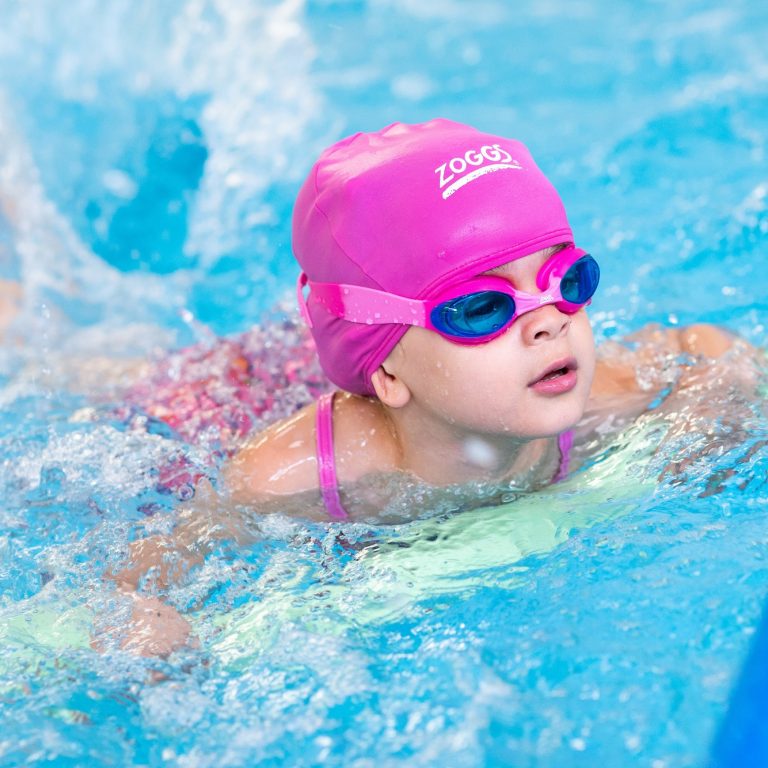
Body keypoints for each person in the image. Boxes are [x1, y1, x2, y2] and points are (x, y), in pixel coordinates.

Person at [111, 118, 761, 654]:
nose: (549, 326)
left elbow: (701, 347)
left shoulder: (603, 396)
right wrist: (150, 614)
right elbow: (166, 548)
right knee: (126, 373)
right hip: (243, 391)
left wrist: (724, 394)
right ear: (388, 373)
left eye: (567, 280)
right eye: (482, 308)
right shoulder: (298, 472)